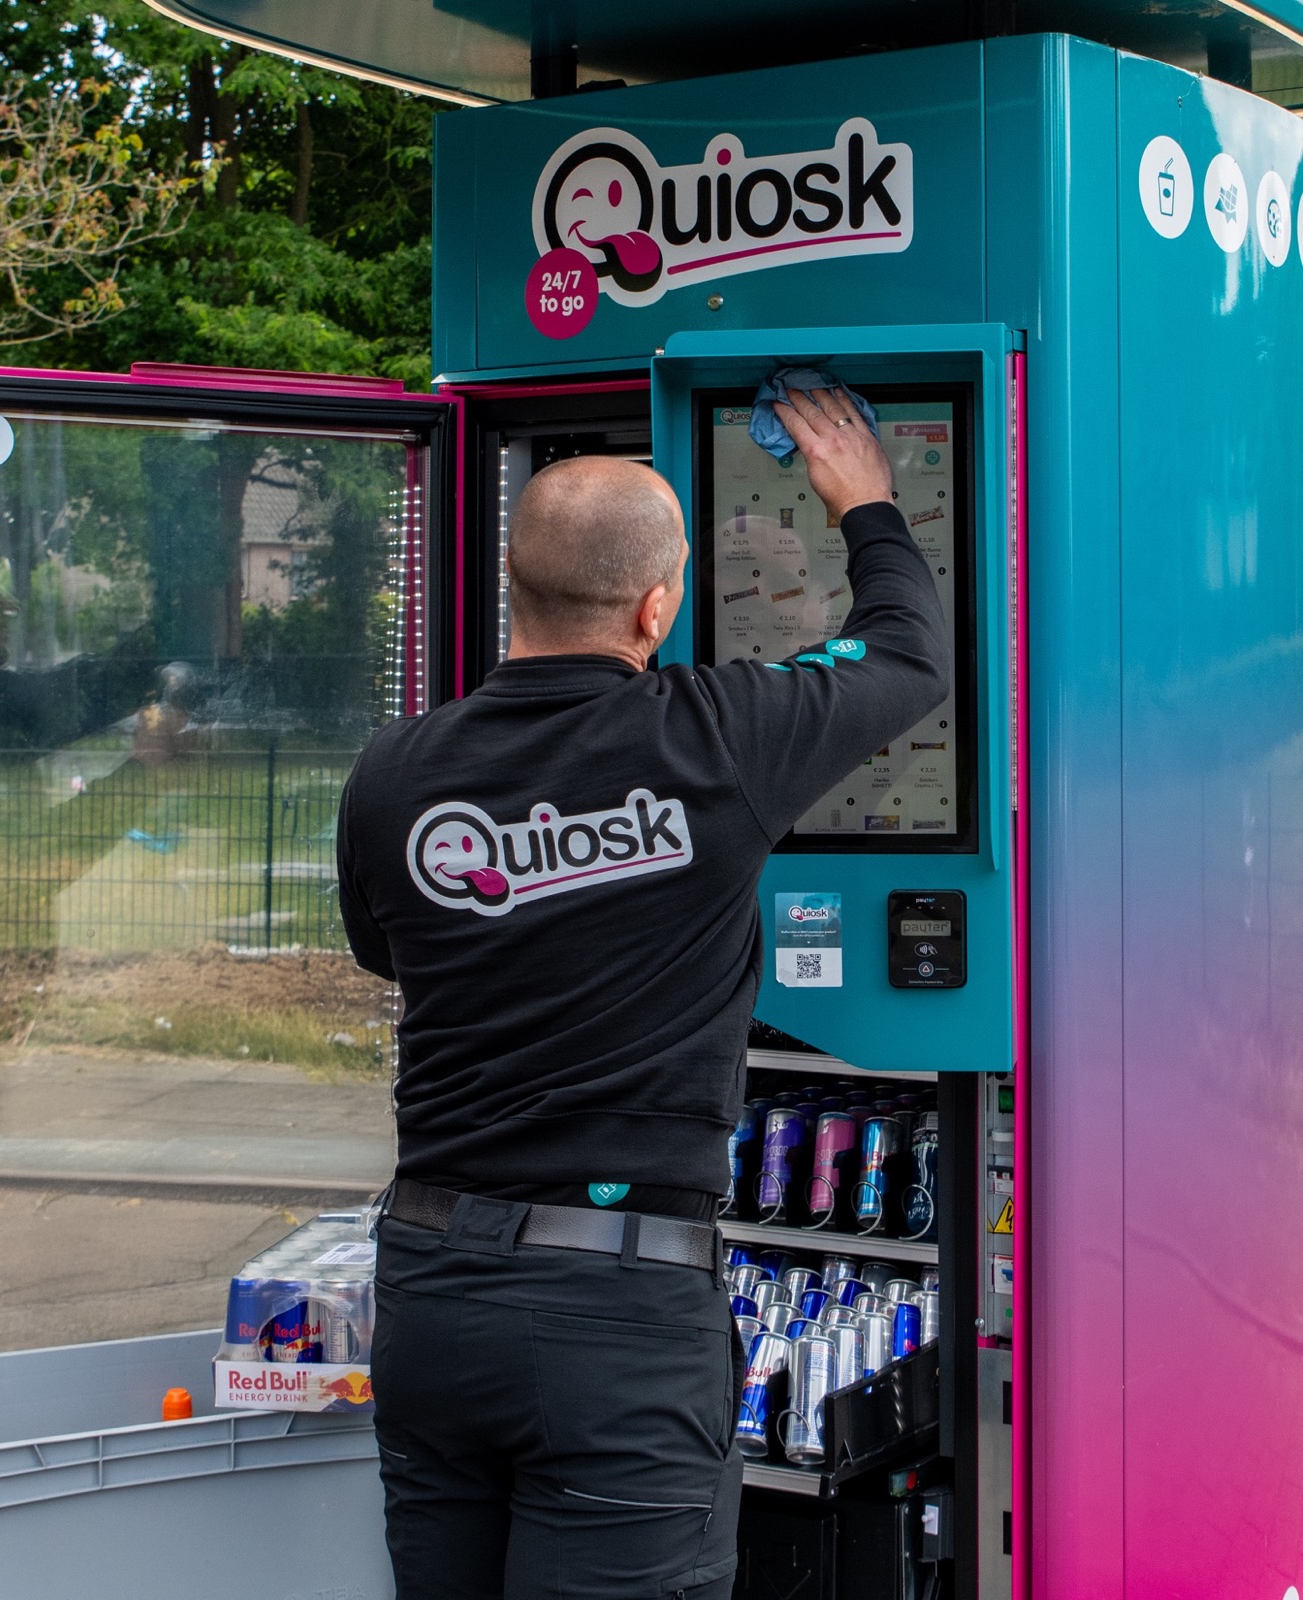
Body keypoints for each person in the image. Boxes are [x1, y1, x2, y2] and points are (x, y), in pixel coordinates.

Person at [335, 387, 950, 1600]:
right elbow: (905, 655)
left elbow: (389, 950)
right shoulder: (718, 735)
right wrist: (867, 503)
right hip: (613, 1312)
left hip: (429, 1291)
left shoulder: (394, 769)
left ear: (513, 585)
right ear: (656, 606)